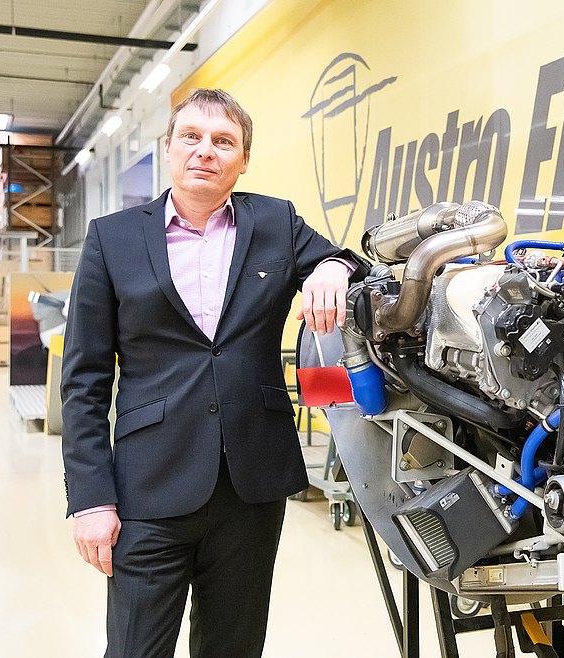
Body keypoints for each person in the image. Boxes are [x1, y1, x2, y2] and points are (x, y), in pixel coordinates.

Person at [61, 88, 368, 657]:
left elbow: (350, 261)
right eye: (192, 137)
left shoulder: (274, 221)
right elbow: (84, 380)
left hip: (249, 485)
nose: (206, 151)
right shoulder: (114, 238)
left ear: (243, 159)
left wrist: (329, 266)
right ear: (170, 149)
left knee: (234, 647)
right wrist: (90, 498)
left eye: (224, 141)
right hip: (146, 488)